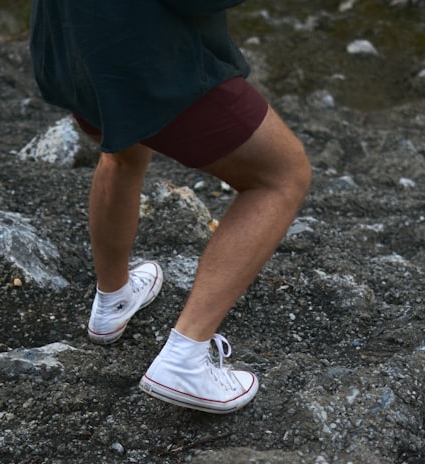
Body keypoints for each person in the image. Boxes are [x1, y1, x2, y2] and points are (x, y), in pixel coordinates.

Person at [29, 0, 311, 414]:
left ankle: (113, 302)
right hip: (143, 49)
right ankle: (184, 359)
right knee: (281, 175)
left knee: (122, 152)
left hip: (71, 39)